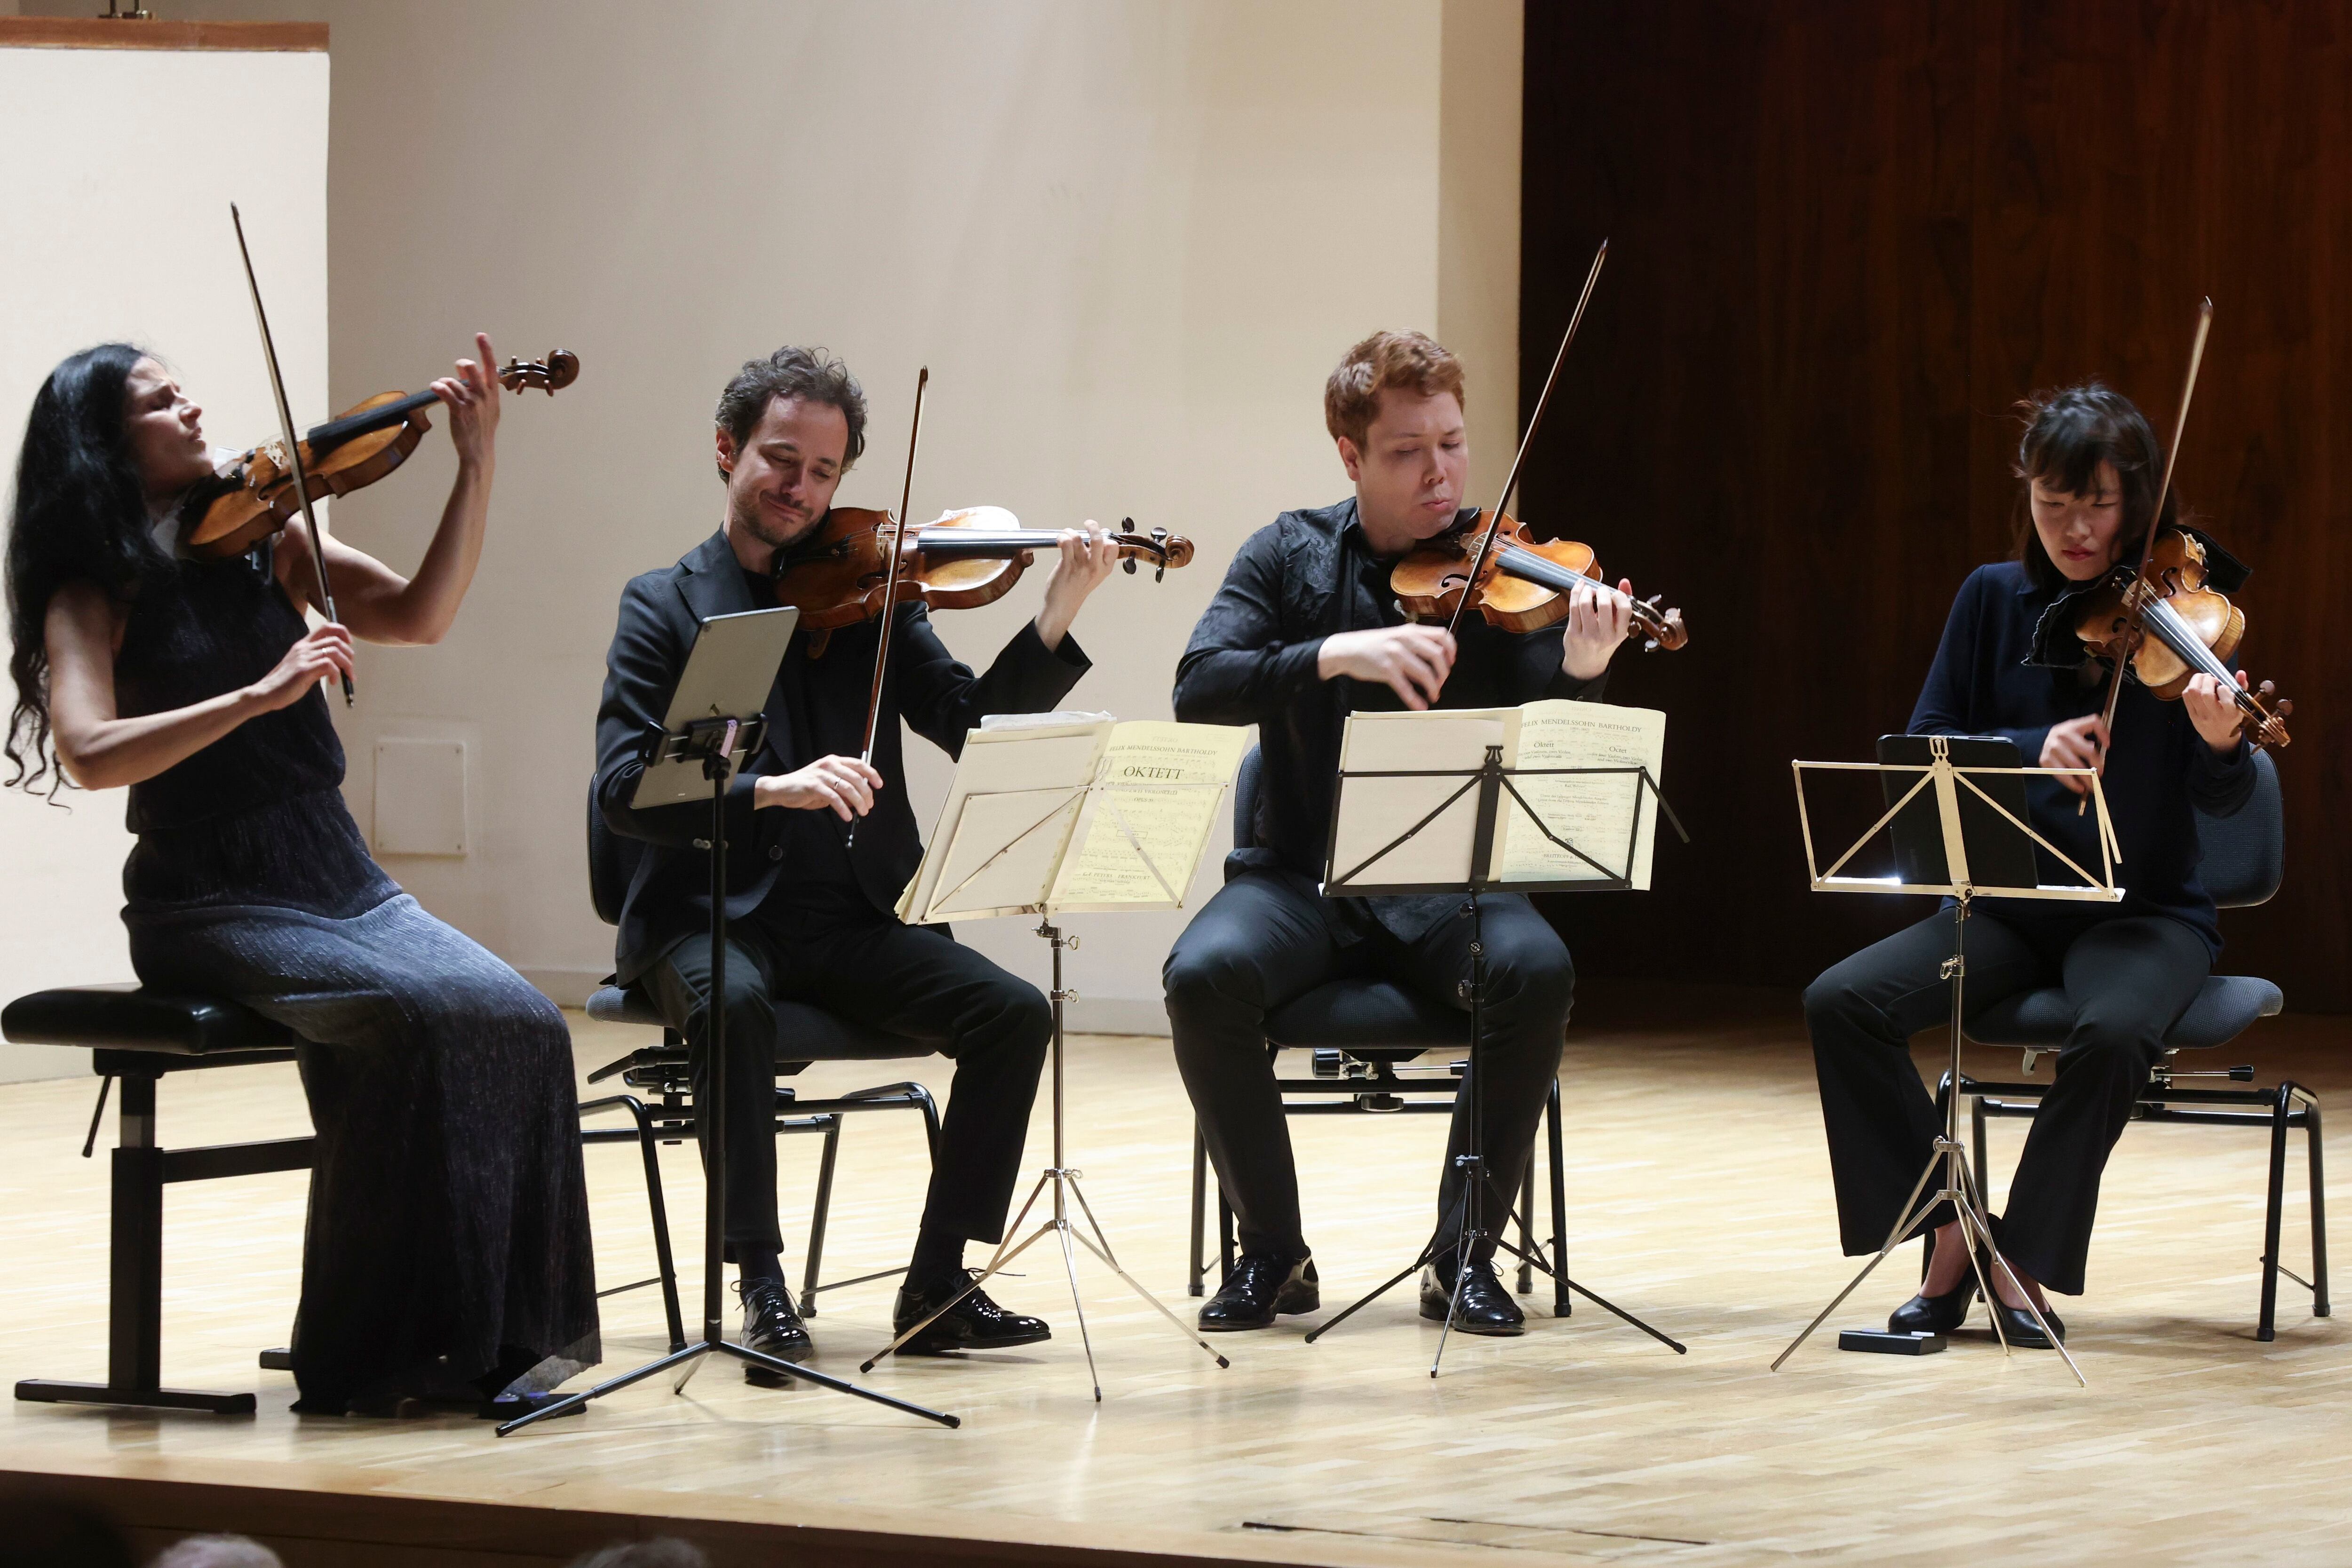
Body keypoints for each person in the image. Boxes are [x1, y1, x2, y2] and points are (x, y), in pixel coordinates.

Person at [3, 340, 598, 1416]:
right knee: (418, 1015)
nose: (189, 402)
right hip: (207, 892)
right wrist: (255, 695)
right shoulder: (93, 586)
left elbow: (419, 613)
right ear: (104, 442)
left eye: (184, 385)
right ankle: (374, 1357)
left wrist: (474, 464)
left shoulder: (268, 529)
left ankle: (509, 1344)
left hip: (337, 870)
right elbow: (91, 750)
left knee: (524, 1019)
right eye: (157, 399)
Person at [593, 346, 1120, 1376]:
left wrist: (1057, 610)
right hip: (712, 914)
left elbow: (974, 727)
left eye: (825, 472)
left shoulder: (880, 597)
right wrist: (765, 790)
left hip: (855, 918)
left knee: (1012, 1012)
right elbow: (627, 791)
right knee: (735, 1005)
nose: (802, 490)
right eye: (781, 460)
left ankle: (937, 1287)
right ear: (726, 451)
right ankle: (761, 1283)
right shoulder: (666, 604)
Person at [1163, 330, 1637, 1335]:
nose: (1440, 473)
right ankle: (1273, 1253)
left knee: (1535, 967)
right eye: (1406, 450)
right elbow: (1197, 684)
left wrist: (1586, 665)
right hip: (1298, 877)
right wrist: (1335, 652)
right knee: (1202, 973)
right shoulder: (1285, 552)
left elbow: (1552, 743)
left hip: (1451, 877)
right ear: (1349, 453)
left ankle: (1464, 1253)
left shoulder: (1507, 570)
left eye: (1454, 444)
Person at [1804, 382, 2260, 1347]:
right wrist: (2022, 749)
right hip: (2009, 907)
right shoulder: (1991, 598)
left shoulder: (2186, 619)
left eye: (2096, 505)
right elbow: (1924, 743)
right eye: (2052, 505)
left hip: (2147, 915)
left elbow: (2223, 804)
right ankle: (1946, 1226)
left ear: (2139, 503)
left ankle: (2022, 1257)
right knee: (1841, 1000)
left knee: (2111, 1029)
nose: (2075, 529)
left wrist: (2223, 744)